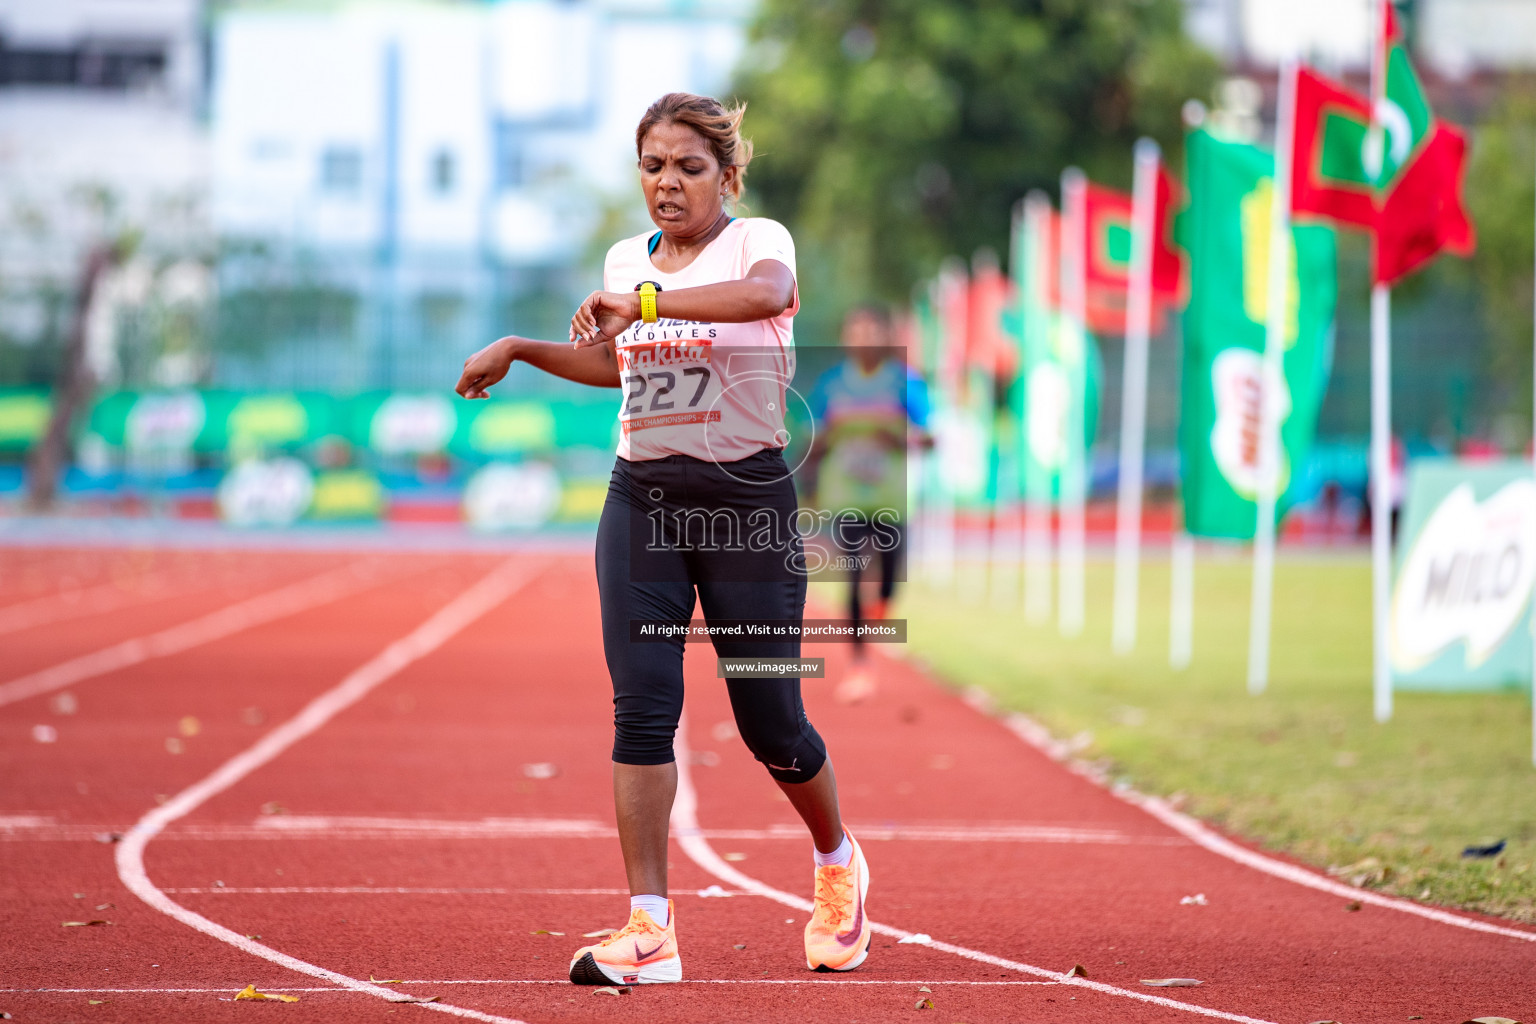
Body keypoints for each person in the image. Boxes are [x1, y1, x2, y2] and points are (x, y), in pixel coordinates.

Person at [455, 92, 870, 986]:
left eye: (688, 167)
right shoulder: (623, 260)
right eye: (653, 167)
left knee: (773, 723)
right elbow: (617, 364)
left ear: (727, 172)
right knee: (642, 708)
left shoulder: (762, 244)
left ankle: (838, 864)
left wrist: (643, 299)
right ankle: (651, 929)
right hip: (641, 499)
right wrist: (523, 347)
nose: (668, 185)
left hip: (745, 507)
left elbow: (763, 297)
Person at [802, 306, 932, 704]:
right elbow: (815, 437)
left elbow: (930, 437)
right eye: (856, 331)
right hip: (846, 498)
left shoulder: (904, 383)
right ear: (845, 337)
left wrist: (902, 440)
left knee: (891, 576)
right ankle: (859, 664)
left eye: (872, 331)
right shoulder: (831, 385)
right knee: (856, 575)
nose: (864, 339)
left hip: (890, 497)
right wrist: (810, 474)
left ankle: (882, 610)